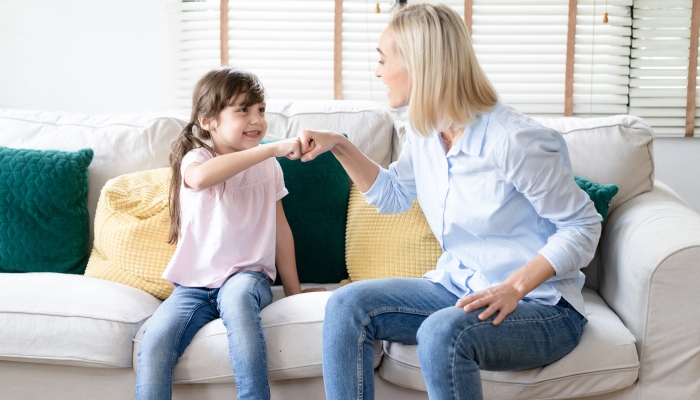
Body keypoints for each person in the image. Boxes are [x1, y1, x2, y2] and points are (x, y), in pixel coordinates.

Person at [297, 4, 602, 400]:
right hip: (460, 287)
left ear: (418, 64)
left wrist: (512, 287)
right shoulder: (426, 135)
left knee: (442, 331)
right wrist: (339, 145)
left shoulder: (513, 140)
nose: (377, 72)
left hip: (540, 305)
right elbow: (392, 196)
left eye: (382, 59)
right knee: (346, 305)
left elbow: (582, 226)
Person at [136, 67, 322, 400]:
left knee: (237, 301)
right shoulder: (197, 159)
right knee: (154, 341)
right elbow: (202, 178)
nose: (257, 119)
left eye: (261, 110)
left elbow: (281, 231)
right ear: (208, 120)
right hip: (193, 286)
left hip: (246, 277)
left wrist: (293, 293)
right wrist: (271, 148)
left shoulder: (269, 167)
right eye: (243, 110)